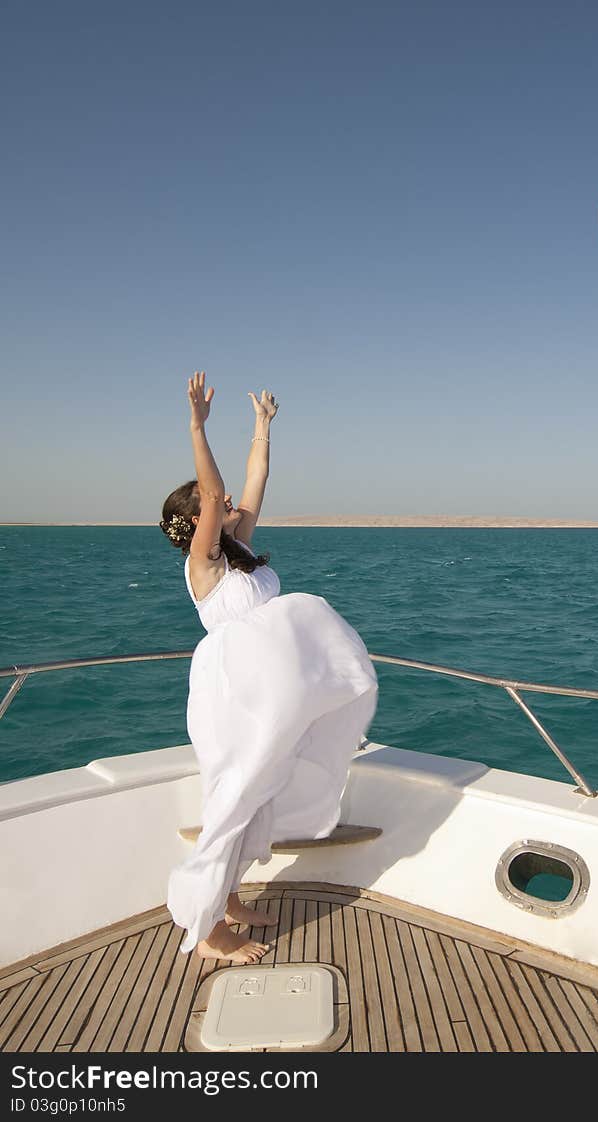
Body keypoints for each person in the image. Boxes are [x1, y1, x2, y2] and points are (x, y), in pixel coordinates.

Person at [160, 372, 378, 963]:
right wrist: (197, 428)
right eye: (219, 506)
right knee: (233, 798)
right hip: (234, 693)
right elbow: (215, 495)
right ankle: (206, 930)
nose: (232, 506)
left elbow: (254, 482)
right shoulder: (203, 564)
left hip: (274, 690)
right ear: (197, 521)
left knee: (258, 794)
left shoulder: (242, 549)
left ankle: (228, 899)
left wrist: (262, 428)